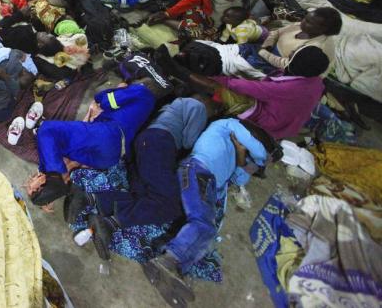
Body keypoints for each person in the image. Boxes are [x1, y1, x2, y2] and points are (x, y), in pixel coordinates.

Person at [142, 118, 278, 306]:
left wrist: (241, 156)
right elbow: (259, 152)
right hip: (197, 170)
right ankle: (168, 261)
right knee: (202, 223)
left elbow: (239, 180)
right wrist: (263, 159)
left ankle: (172, 271)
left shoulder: (238, 153)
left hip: (206, 182)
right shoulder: (226, 126)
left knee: (208, 232)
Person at [66, 98, 209, 260]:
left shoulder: (175, 104)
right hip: (159, 144)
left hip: (143, 144)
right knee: (171, 205)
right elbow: (190, 142)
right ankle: (109, 223)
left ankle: (90, 198)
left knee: (146, 199)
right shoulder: (199, 106)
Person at [158, 44, 329, 140]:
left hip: (266, 125)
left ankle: (175, 70)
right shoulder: (315, 81)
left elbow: (247, 87)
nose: (291, 51)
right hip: (286, 123)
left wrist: (218, 80)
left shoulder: (286, 89)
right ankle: (185, 77)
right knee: (237, 78)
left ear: (298, 63)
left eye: (294, 54)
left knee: (220, 88)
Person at [28, 81, 159, 207]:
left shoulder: (135, 100)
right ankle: (54, 177)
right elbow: (109, 100)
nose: (29, 182)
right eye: (31, 186)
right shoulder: (142, 93)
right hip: (109, 139)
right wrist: (106, 97)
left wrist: (99, 105)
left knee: (57, 141)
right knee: (48, 131)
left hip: (109, 151)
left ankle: (54, 182)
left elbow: (85, 128)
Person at [254, 7, 340, 74]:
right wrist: (267, 45)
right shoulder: (302, 26)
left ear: (323, 29)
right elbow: (277, 32)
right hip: (269, 52)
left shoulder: (316, 48)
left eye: (309, 23)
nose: (302, 22)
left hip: (284, 69)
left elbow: (290, 65)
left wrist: (263, 53)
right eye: (305, 19)